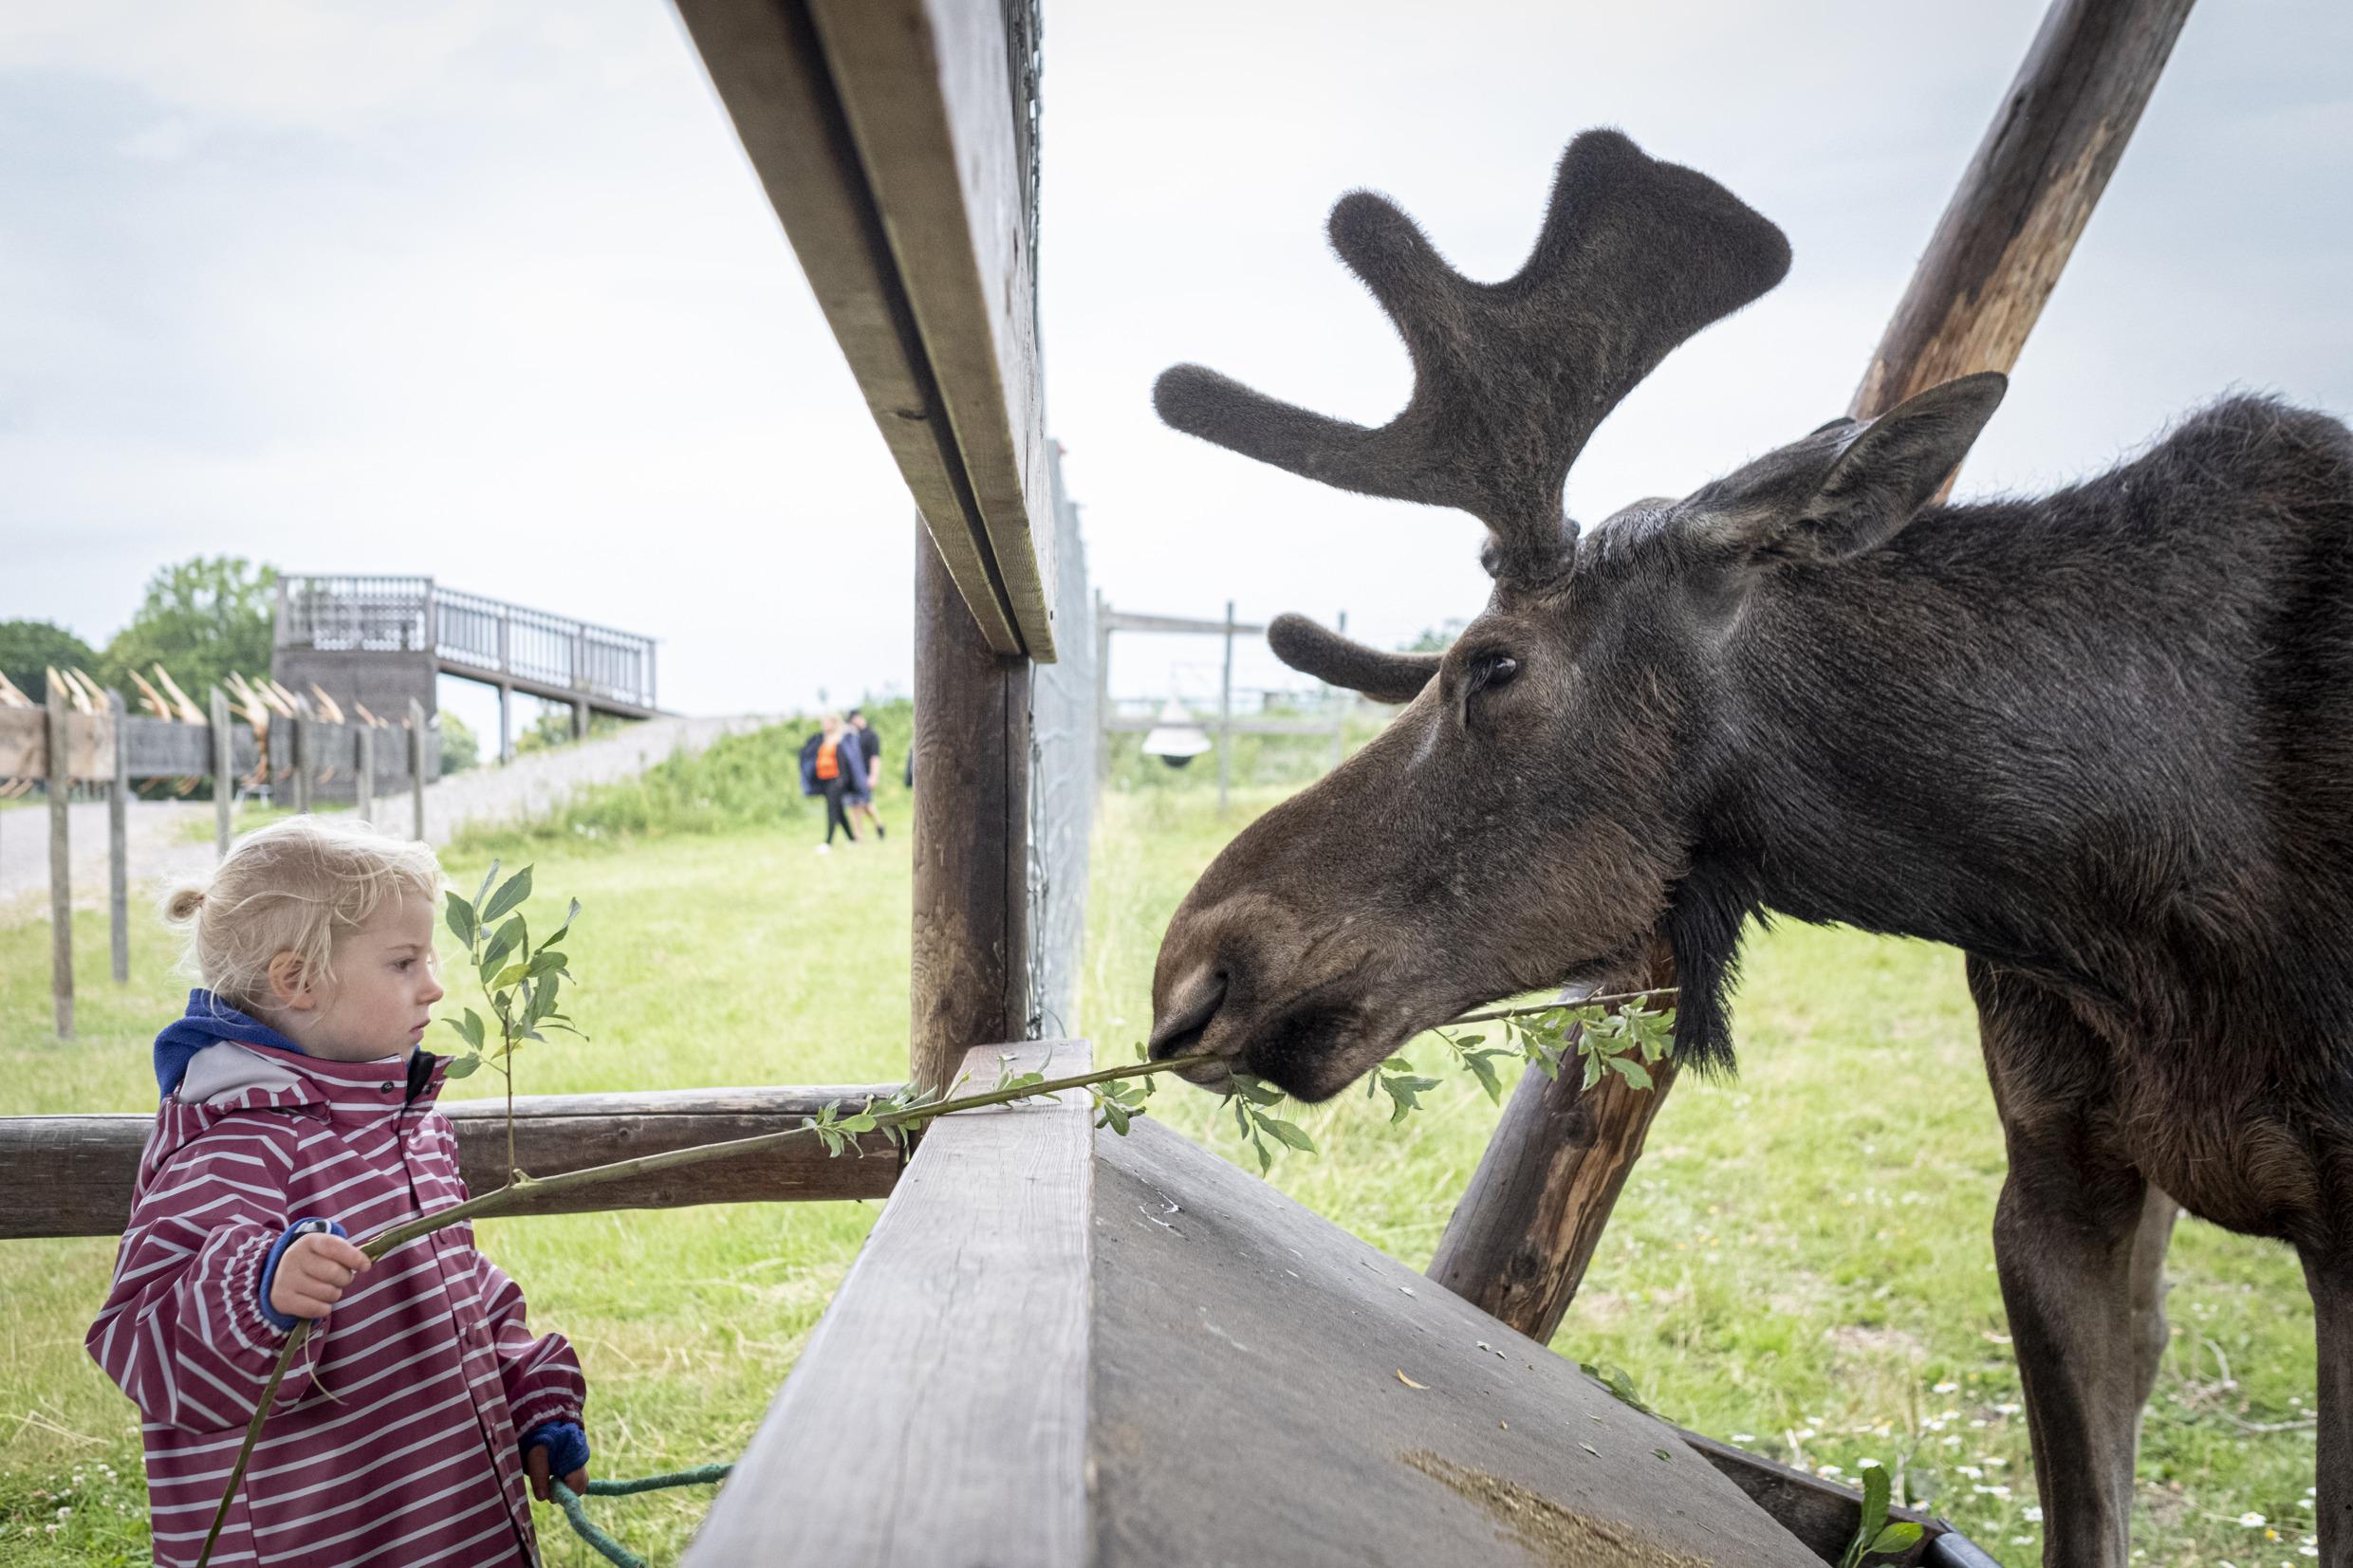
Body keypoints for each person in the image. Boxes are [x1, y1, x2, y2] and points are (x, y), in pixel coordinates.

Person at [87, 817, 587, 1568]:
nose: (435, 982)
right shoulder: (240, 1141)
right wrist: (257, 1291)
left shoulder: (393, 1117)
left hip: (445, 1519)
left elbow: (449, 1287)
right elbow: (140, 1337)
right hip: (324, 1538)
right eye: (402, 961)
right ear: (299, 981)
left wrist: (526, 1386)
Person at [802, 711, 863, 852]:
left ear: (834, 723)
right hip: (825, 780)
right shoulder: (823, 739)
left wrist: (842, 779)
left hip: (837, 780)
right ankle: (853, 840)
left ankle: (828, 843)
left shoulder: (842, 738)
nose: (824, 725)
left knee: (832, 809)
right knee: (839, 811)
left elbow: (848, 759)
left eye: (827, 722)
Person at [844, 709, 886, 840]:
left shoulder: (871, 735)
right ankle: (876, 827)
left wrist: (874, 776)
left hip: (865, 776)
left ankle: (861, 834)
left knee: (861, 805)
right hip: (854, 776)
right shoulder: (853, 736)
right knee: (860, 805)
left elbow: (875, 757)